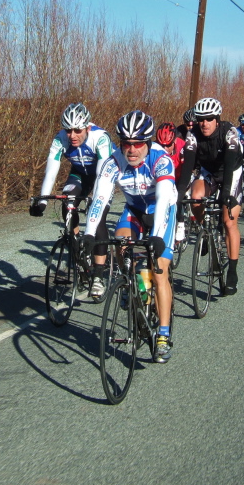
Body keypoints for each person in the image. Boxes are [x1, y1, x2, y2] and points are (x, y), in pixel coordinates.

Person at [82, 111, 177, 362]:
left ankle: (163, 335)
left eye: (137, 144)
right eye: (126, 144)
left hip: (160, 211)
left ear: (147, 143)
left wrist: (156, 236)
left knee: (159, 271)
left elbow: (165, 199)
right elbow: (100, 199)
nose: (131, 150)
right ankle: (133, 284)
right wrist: (89, 233)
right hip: (134, 210)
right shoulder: (112, 162)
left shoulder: (161, 160)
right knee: (120, 244)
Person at [30, 102, 113, 298]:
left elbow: (102, 176)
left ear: (87, 127)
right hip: (79, 174)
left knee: (97, 214)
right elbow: (51, 171)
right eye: (68, 130)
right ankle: (78, 247)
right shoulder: (60, 139)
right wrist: (42, 202)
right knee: (67, 201)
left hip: (104, 176)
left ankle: (99, 276)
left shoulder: (100, 138)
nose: (72, 135)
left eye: (77, 130)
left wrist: (96, 199)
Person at [178, 97, 244, 295]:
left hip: (231, 171)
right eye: (200, 119)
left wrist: (225, 195)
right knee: (195, 196)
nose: (204, 123)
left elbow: (231, 164)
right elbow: (188, 167)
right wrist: (179, 194)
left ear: (217, 119)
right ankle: (205, 230)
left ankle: (232, 271)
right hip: (209, 172)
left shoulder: (229, 133)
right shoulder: (192, 135)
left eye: (208, 119)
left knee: (229, 221)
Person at [156, 122, 188, 242]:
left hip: (180, 175)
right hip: (164, 176)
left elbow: (188, 168)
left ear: (174, 140)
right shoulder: (154, 148)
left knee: (177, 197)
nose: (164, 149)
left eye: (168, 145)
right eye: (161, 145)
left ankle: (180, 222)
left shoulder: (182, 146)